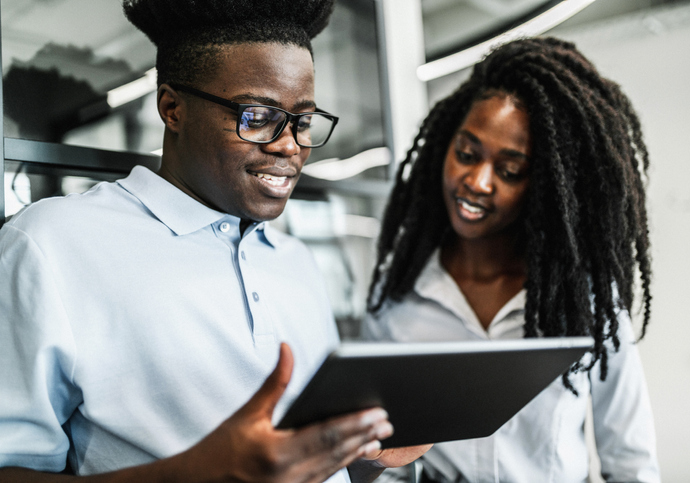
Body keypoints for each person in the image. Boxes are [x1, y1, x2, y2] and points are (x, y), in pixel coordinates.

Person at [0, 0, 427, 481]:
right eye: (258, 116)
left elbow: (305, 458)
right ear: (172, 108)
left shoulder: (295, 260)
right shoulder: (50, 244)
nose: (288, 145)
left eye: (303, 122)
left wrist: (365, 451)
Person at [364, 37, 660, 483]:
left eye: (509, 170)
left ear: (543, 185)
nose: (477, 181)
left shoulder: (585, 301)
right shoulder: (400, 292)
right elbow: (388, 461)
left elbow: (630, 461)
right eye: (466, 154)